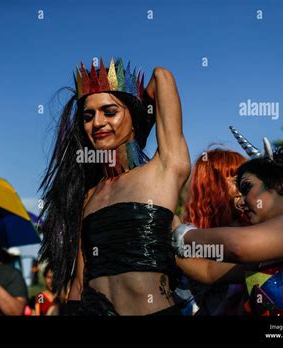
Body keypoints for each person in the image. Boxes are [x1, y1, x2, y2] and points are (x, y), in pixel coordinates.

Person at [39, 57, 191, 315]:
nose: (97, 123)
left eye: (110, 112)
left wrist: (140, 125)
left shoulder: (163, 168)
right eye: (88, 116)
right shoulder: (89, 195)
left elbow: (161, 76)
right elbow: (79, 283)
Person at [174, 136, 283, 315]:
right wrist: (164, 225)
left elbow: (238, 246)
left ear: (279, 183)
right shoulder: (269, 250)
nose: (240, 202)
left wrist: (183, 234)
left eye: (247, 187)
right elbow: (208, 270)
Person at [176, 148, 251, 315]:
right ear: (211, 187)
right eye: (236, 180)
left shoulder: (256, 225)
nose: (245, 188)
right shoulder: (191, 239)